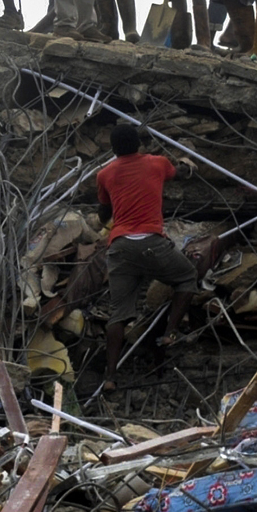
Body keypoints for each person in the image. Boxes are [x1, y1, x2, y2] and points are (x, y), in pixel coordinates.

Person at [95, 124, 198, 388]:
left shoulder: (104, 174)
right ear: (139, 144)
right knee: (187, 277)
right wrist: (187, 163)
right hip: (152, 242)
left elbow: (104, 213)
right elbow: (181, 173)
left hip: (119, 247)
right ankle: (169, 333)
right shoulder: (157, 163)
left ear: (113, 149)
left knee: (118, 314)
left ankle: (109, 377)